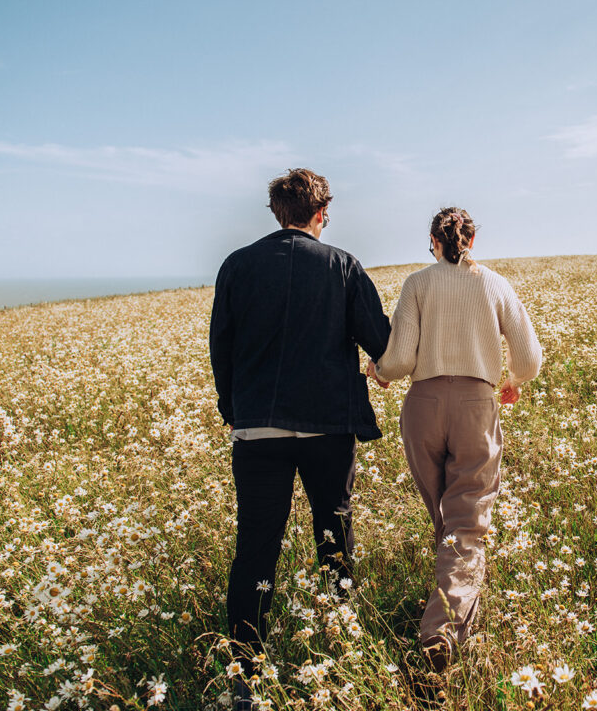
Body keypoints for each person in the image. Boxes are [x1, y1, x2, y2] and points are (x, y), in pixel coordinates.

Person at [209, 168, 391, 704]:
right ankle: (340, 651)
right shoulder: (342, 265)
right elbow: (379, 341)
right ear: (321, 214)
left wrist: (235, 410)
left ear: (275, 212)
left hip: (257, 428)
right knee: (333, 534)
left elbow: (222, 348)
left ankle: (246, 675)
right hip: (328, 427)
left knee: (255, 549)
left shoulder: (237, 266)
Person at [368, 207, 542, 670]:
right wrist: (514, 380)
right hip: (475, 404)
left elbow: (401, 357)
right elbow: (529, 354)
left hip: (423, 406)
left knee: (445, 517)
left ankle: (454, 614)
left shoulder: (417, 283)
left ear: (433, 240)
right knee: (466, 522)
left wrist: (380, 372)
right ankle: (442, 631)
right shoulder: (493, 283)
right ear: (471, 241)